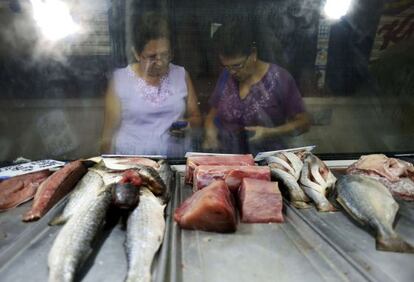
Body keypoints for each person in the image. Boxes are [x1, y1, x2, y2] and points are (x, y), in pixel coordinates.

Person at [101, 12, 201, 157]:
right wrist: (106, 163)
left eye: (165, 55)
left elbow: (196, 117)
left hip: (174, 159)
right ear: (136, 53)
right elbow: (108, 134)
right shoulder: (120, 79)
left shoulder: (181, 74)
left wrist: (188, 126)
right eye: (152, 57)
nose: (160, 62)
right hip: (131, 159)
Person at [202, 21, 311, 154]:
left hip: (267, 161)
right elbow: (212, 115)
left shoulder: (279, 78)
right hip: (229, 159)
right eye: (226, 66)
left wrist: (270, 132)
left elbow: (303, 123)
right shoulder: (226, 76)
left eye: (237, 65)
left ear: (253, 53)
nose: (232, 72)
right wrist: (210, 133)